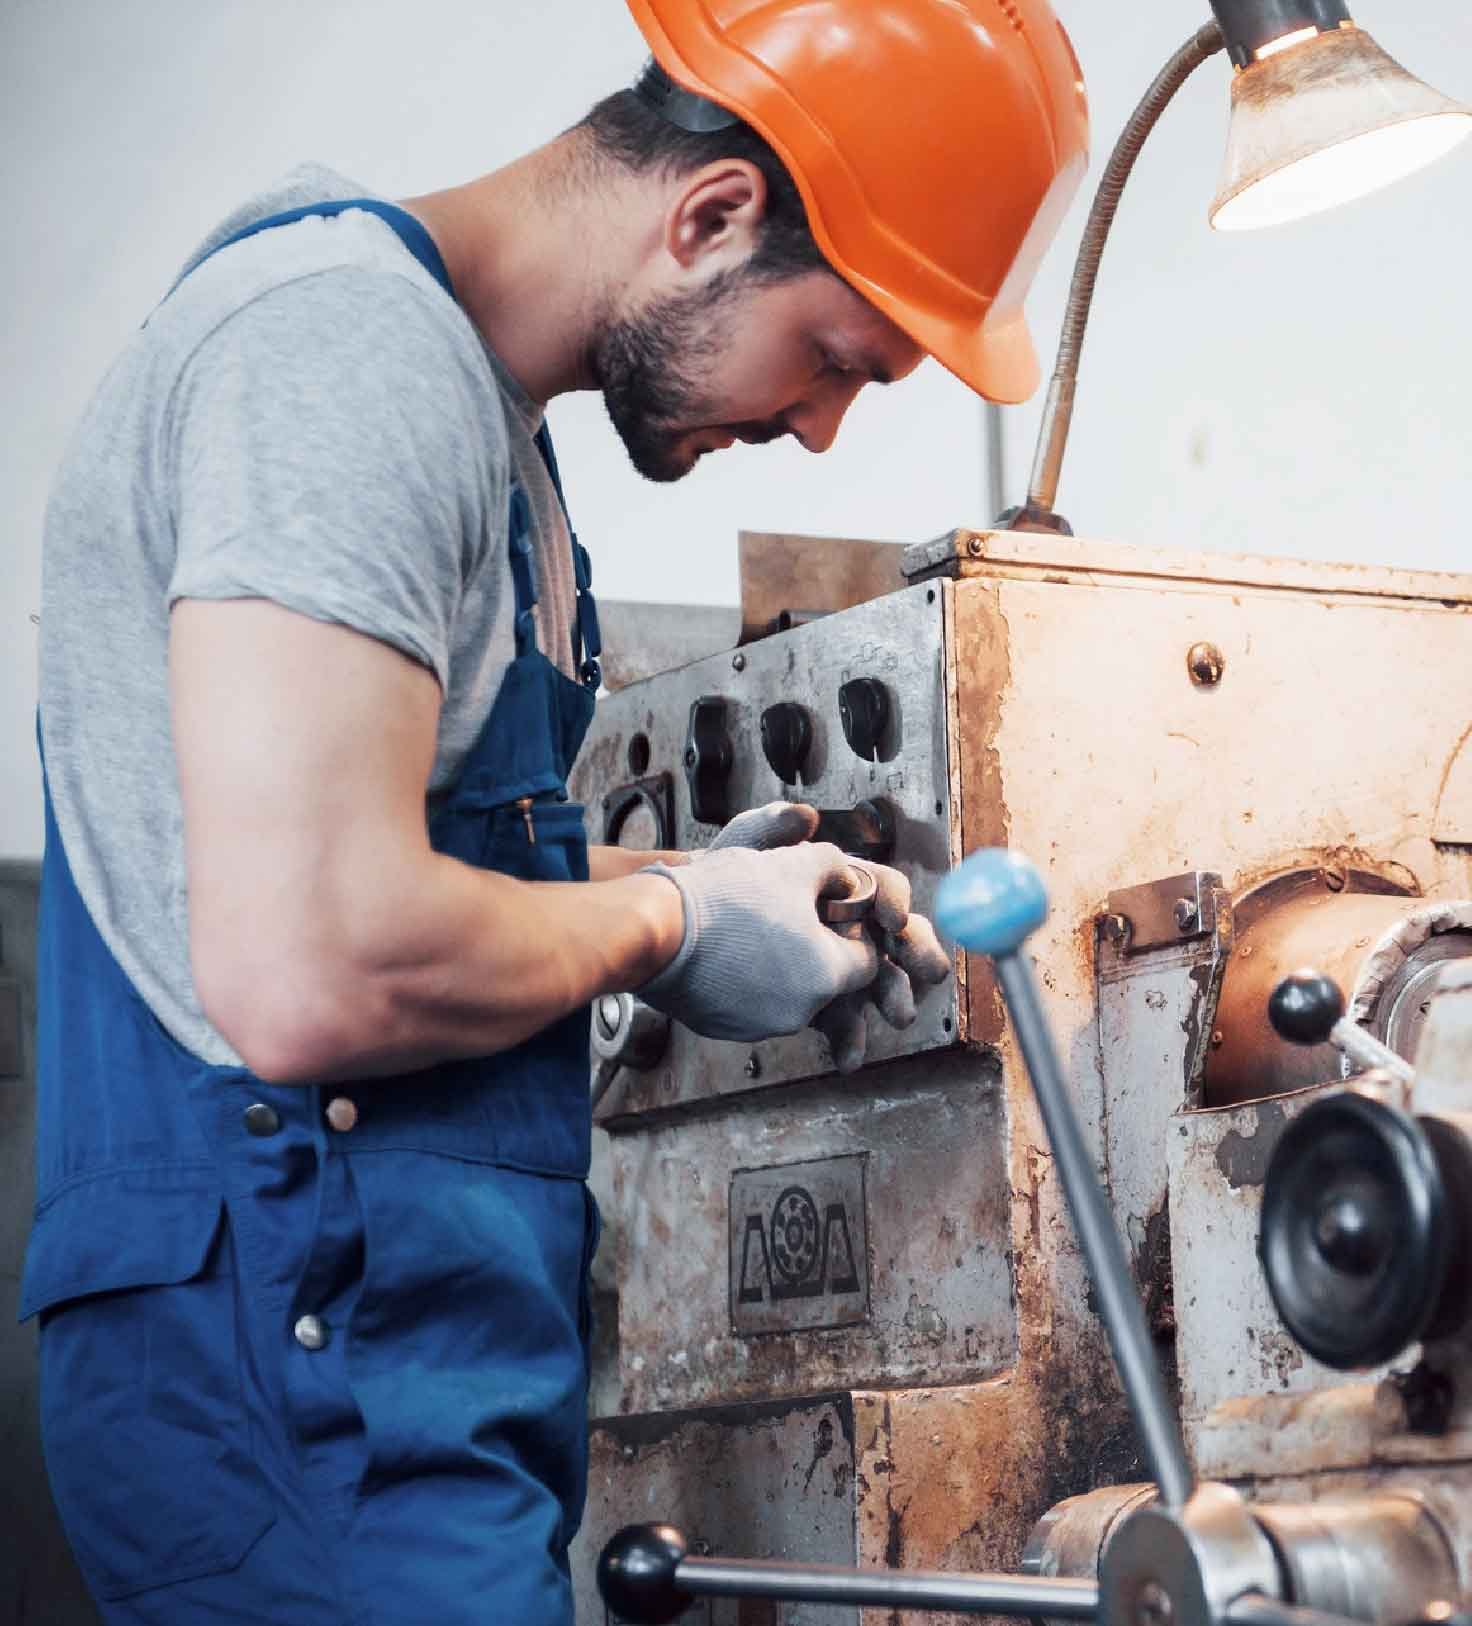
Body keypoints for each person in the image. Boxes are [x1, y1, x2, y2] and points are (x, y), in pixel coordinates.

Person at [21, 1, 1089, 1620]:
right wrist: (666, 923)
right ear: (713, 214)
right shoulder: (345, 360)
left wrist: (662, 883)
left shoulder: (484, 427)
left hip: (393, 1348)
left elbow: (393, 857)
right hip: (305, 1346)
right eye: (833, 359)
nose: (815, 428)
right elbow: (309, 963)